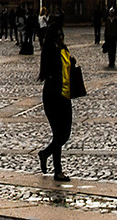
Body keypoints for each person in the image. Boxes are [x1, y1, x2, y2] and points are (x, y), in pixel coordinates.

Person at [36, 24, 82, 184]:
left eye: (62, 35)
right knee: (59, 134)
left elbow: (66, 68)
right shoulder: (50, 51)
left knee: (66, 133)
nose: (62, 37)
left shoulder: (64, 49)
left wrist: (72, 63)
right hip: (53, 96)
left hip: (65, 95)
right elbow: (50, 71)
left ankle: (45, 154)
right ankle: (58, 171)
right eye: (59, 35)